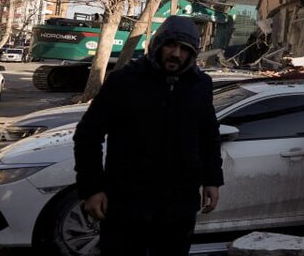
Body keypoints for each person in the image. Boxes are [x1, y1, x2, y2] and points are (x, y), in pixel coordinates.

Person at [74, 15, 223, 255]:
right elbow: (88, 135)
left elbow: (209, 136)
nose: (176, 54)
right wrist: (91, 188)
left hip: (179, 206)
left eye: (184, 49)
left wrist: (212, 179)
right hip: (128, 204)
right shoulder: (124, 81)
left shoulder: (200, 85)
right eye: (170, 45)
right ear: (157, 44)